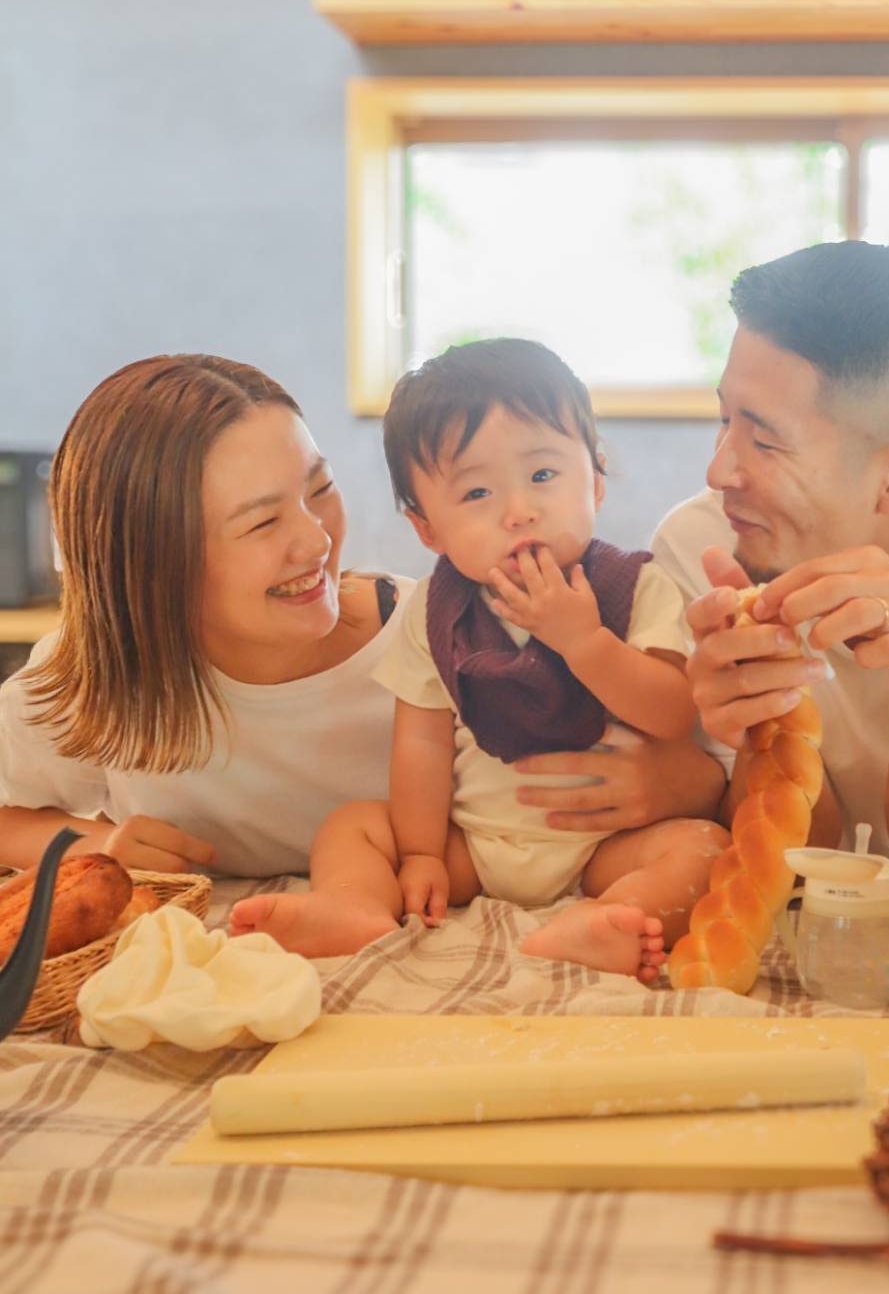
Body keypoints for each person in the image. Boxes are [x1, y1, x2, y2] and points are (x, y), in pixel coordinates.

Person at [231, 340, 729, 976]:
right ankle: (353, 905)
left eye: (543, 476)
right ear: (427, 529)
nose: (519, 512)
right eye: (476, 493)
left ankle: (606, 920)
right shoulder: (433, 611)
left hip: (606, 845)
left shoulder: (637, 587)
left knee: (707, 849)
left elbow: (673, 713)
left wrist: (585, 643)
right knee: (351, 826)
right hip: (476, 842)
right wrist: (421, 854)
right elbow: (422, 743)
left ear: (596, 481)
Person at [652, 240, 889, 916]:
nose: (719, 471)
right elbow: (790, 879)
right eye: (724, 419)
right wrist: (766, 723)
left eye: (764, 441)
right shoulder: (704, 546)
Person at [0, 354, 413, 885]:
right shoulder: (98, 676)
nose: (317, 541)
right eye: (263, 522)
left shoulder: (435, 640)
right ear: (153, 565)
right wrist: (97, 845)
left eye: (321, 489)